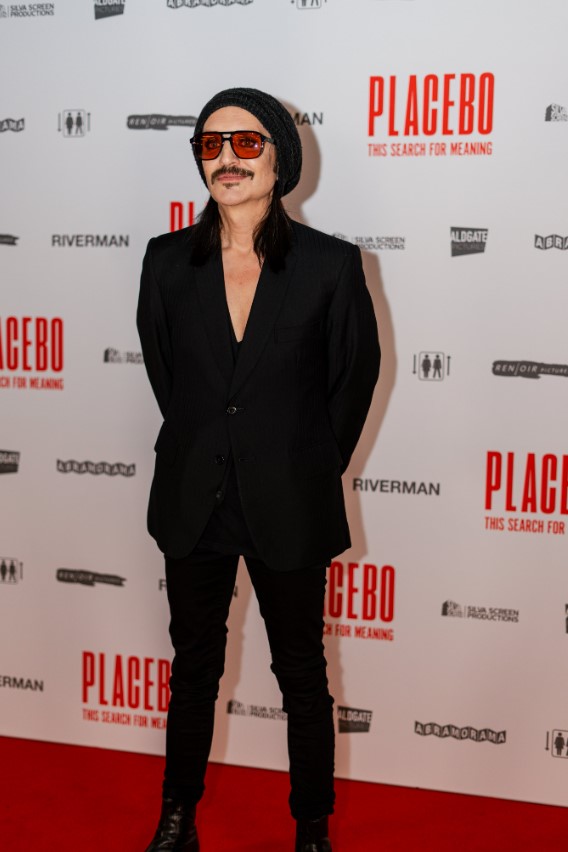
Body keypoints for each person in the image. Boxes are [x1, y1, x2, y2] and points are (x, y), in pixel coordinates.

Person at [137, 87, 380, 852]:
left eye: (246, 143)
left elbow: (353, 382)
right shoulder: (166, 261)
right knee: (193, 670)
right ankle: (177, 819)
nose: (228, 159)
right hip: (195, 500)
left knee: (302, 674)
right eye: (211, 144)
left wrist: (302, 466)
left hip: (289, 504)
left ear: (280, 159)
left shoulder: (331, 266)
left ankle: (311, 829)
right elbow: (170, 380)